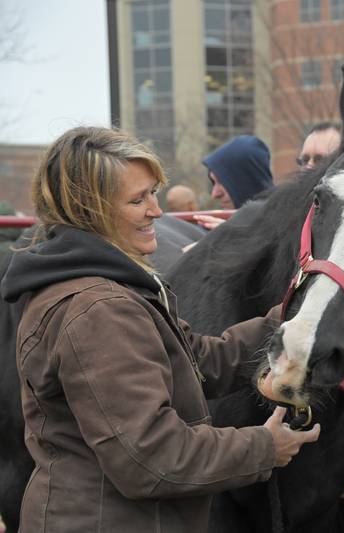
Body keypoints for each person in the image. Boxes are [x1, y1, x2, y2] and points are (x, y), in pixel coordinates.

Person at [0, 126, 319, 533]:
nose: (156, 211)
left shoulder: (109, 286)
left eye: (153, 192)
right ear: (90, 211)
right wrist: (265, 447)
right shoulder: (99, 311)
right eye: (137, 200)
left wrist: (285, 321)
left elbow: (196, 360)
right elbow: (152, 458)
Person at [197, 135, 274, 230]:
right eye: (213, 182)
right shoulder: (213, 226)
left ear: (246, 180)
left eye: (222, 181)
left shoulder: (285, 225)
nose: (215, 194)